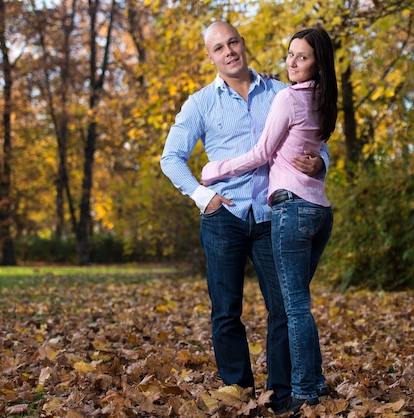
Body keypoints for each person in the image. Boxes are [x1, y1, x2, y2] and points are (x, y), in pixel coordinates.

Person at [159, 22, 329, 413]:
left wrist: (318, 164)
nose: (229, 51)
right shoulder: (200, 103)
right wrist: (204, 196)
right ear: (211, 56)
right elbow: (171, 158)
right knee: (225, 311)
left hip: (276, 215)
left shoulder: (281, 91)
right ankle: (239, 395)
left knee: (284, 307)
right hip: (225, 216)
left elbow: (316, 141)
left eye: (233, 42)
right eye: (219, 48)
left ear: (243, 43)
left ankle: (281, 396)